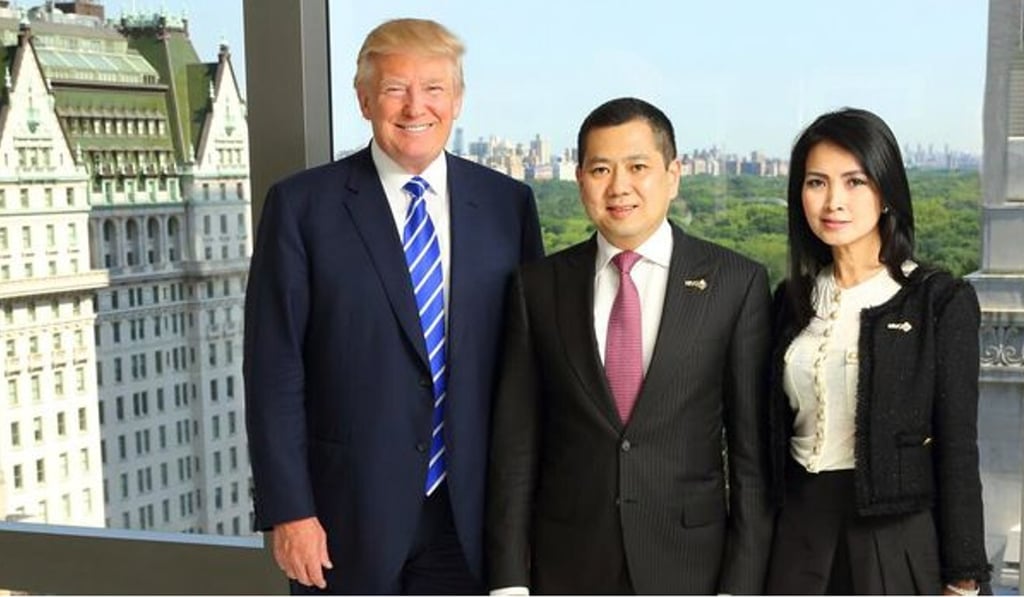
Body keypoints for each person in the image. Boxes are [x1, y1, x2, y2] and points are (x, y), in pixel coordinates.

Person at [243, 18, 544, 594]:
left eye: (433, 88)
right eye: (394, 89)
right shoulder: (301, 208)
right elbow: (273, 371)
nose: (415, 107)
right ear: (363, 100)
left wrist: (529, 514)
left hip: (473, 519)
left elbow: (529, 370)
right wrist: (290, 511)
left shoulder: (508, 205)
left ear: (457, 99)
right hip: (341, 520)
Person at [485, 97, 775, 595]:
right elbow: (515, 448)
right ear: (580, 179)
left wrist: (741, 585)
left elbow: (752, 458)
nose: (619, 186)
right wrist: (509, 582)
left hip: (692, 566)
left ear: (673, 174)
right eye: (601, 169)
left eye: (638, 167)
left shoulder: (736, 284)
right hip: (568, 565)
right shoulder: (537, 288)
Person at [765, 107, 990, 595]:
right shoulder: (789, 300)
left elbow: (957, 448)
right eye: (817, 183)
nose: (833, 201)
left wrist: (964, 577)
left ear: (885, 192)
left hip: (893, 539)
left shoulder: (938, 300)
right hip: (796, 536)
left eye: (855, 182)